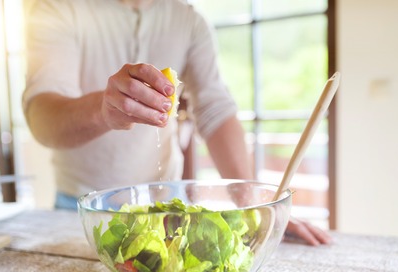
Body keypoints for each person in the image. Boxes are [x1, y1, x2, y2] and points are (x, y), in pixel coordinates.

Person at [23, 0, 331, 246]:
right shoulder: (55, 7)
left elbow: (215, 110)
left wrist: (254, 207)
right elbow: (41, 116)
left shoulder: (188, 19)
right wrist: (104, 110)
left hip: (168, 209)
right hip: (82, 213)